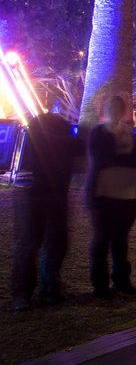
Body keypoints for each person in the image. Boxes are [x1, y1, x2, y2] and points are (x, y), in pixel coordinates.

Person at [9, 113, 83, 311]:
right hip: (45, 192)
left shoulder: (36, 136)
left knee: (35, 242)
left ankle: (28, 291)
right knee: (45, 242)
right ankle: (43, 288)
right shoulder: (64, 141)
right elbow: (80, 148)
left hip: (39, 191)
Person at [86, 94, 136, 298]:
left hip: (130, 195)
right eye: (111, 105)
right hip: (104, 193)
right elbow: (102, 159)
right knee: (102, 239)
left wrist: (123, 153)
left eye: (119, 106)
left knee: (121, 239)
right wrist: (125, 152)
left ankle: (122, 281)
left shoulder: (132, 134)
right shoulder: (98, 132)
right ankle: (100, 285)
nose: (115, 109)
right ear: (105, 108)